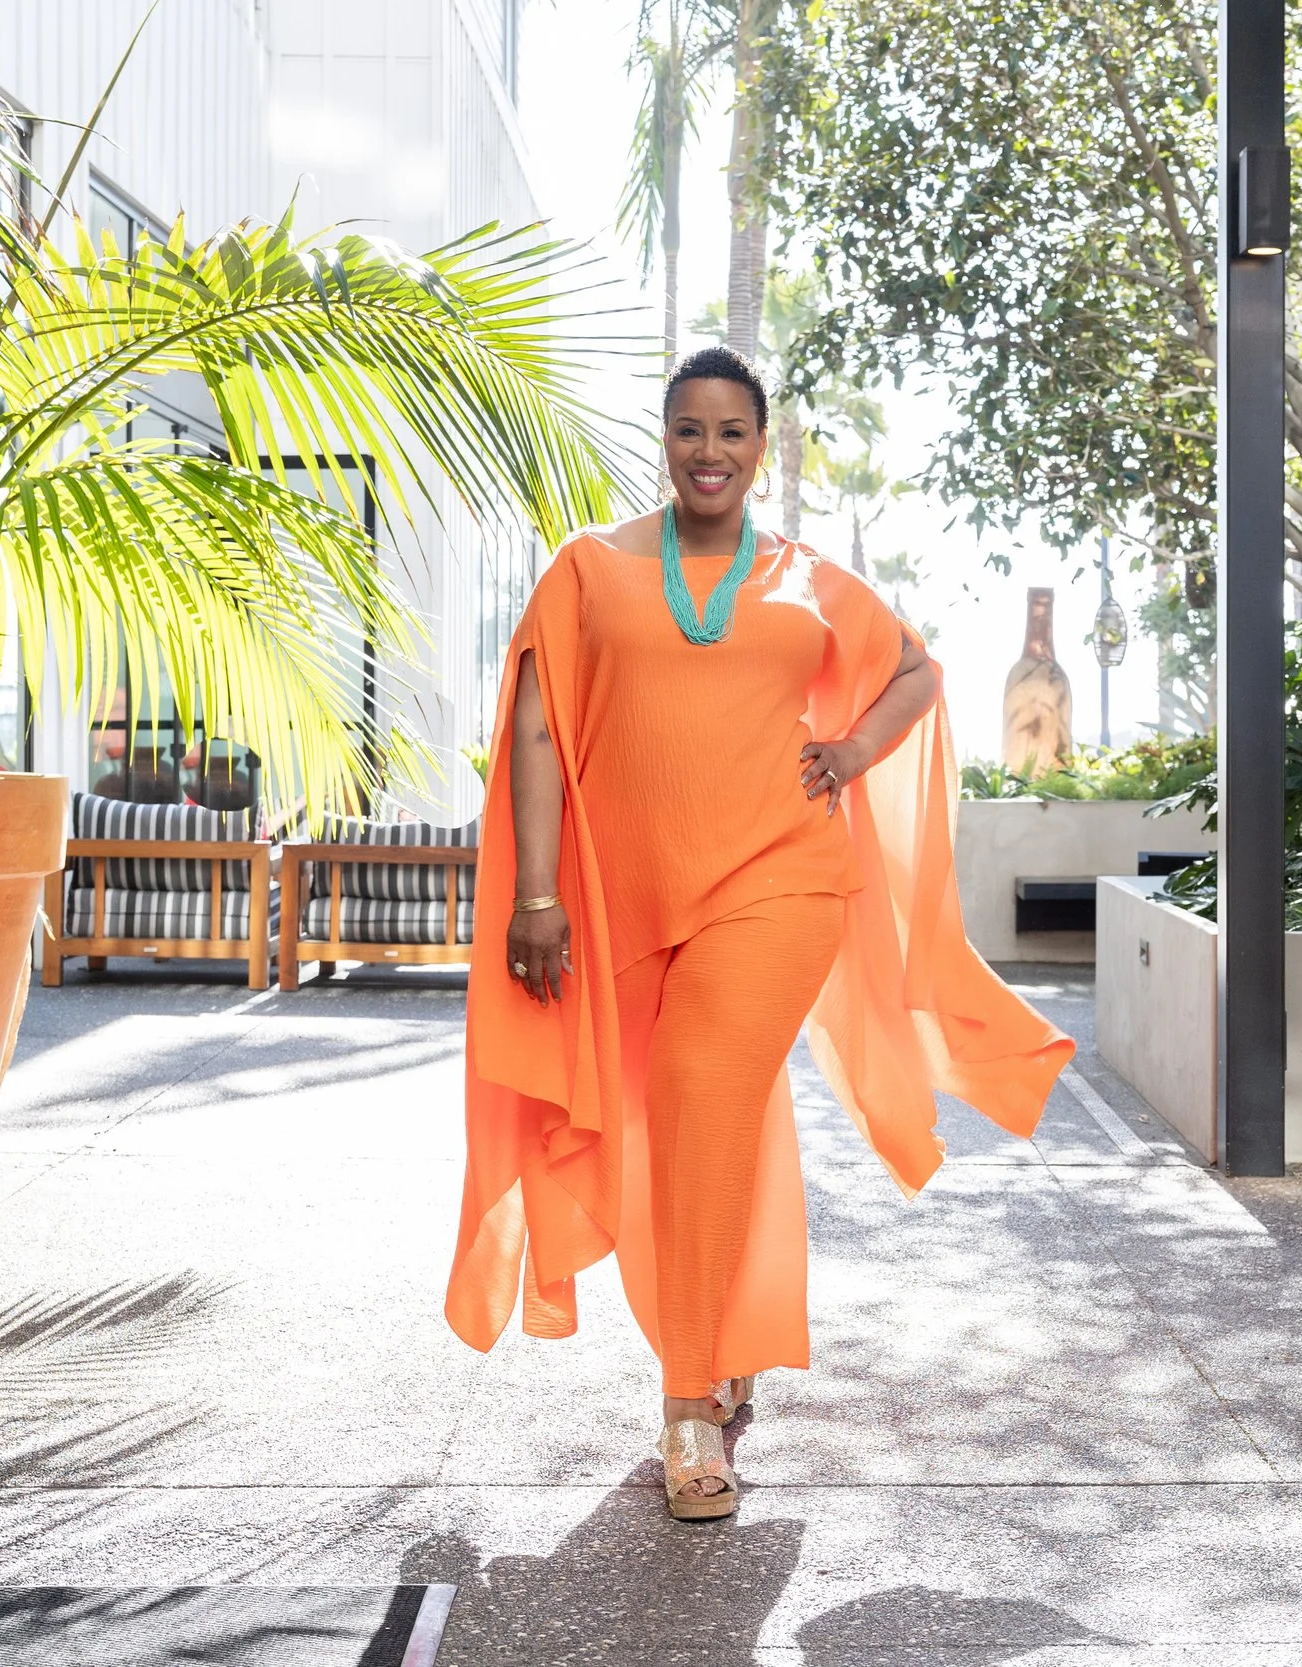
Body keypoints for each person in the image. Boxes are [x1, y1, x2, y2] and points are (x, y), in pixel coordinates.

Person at [449, 346, 1074, 1522]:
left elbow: (919, 674)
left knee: (698, 1086)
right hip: (625, 892)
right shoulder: (586, 570)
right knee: (689, 1121)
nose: (710, 452)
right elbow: (537, 732)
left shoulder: (807, 580)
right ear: (665, 438)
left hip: (779, 880)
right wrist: (538, 894)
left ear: (761, 446)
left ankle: (690, 1405)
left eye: (733, 432)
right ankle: (723, 1328)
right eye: (690, 429)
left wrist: (844, 755)